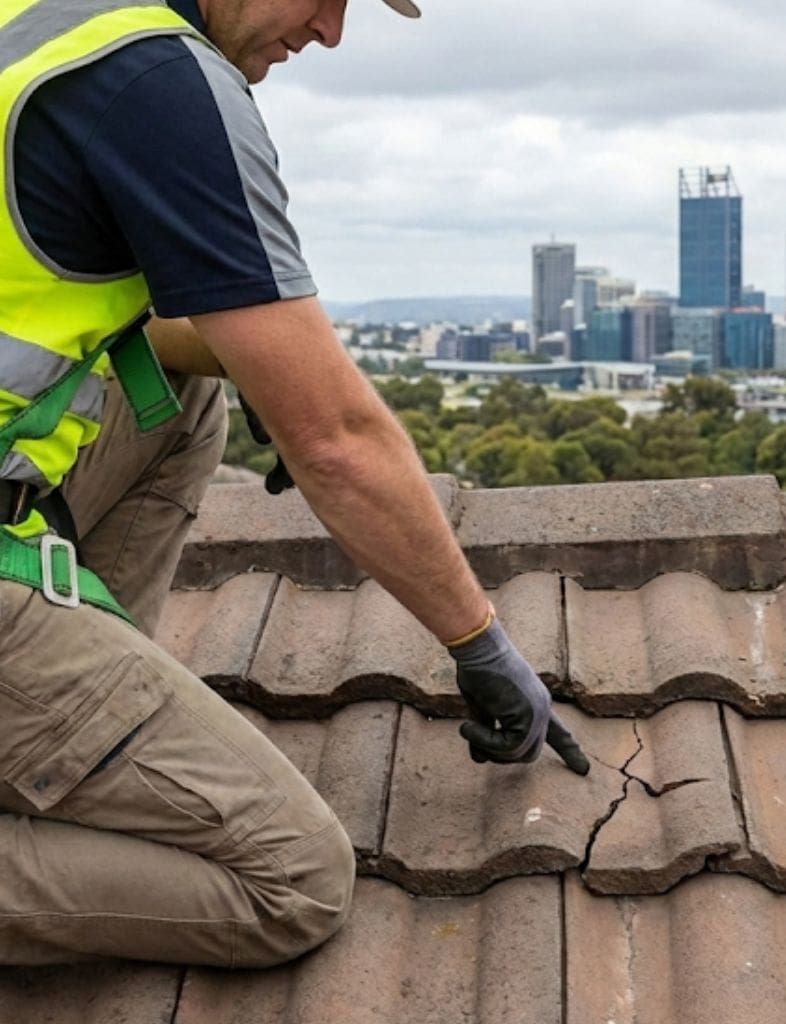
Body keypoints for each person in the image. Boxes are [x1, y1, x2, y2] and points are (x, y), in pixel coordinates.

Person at [0, 0, 589, 968]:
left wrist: (259, 365)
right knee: (292, 876)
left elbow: (123, 337)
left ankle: (82, 725)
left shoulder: (51, 20)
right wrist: (479, 639)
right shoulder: (162, 84)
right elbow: (339, 444)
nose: (332, 32)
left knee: (182, 399)